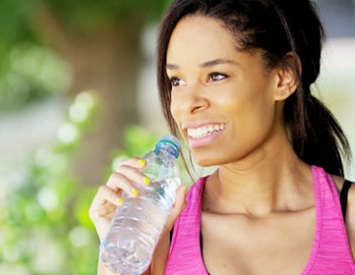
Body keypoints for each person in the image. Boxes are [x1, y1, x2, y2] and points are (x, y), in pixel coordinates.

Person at [88, 0, 355, 274]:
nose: (187, 104)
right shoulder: (162, 232)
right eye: (176, 80)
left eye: (216, 75)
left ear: (283, 77)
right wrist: (120, 259)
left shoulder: (350, 217)